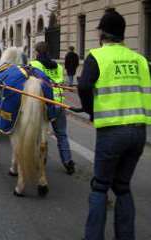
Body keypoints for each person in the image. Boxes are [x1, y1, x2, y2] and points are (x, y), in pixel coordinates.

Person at [78, 8, 151, 240]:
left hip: (112, 131)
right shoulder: (140, 60)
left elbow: (84, 87)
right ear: (122, 34)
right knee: (122, 186)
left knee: (100, 186)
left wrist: (91, 111)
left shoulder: (97, 56)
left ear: (102, 34)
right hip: (139, 131)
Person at [30, 42, 75, 175]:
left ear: (37, 52)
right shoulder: (58, 67)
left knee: (36, 134)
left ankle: (36, 161)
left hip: (43, 103)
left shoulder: (34, 65)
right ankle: (68, 162)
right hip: (59, 103)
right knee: (62, 134)